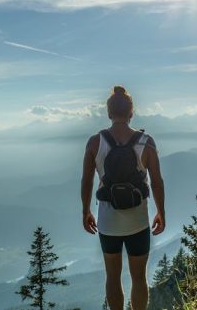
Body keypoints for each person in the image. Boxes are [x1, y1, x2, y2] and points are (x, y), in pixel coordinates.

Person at [81, 85, 166, 310]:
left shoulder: (94, 142)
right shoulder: (146, 142)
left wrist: (86, 211)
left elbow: (86, 181)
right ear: (131, 113)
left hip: (108, 222)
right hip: (138, 220)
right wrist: (161, 212)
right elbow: (157, 181)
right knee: (139, 278)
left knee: (113, 276)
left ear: (109, 113)